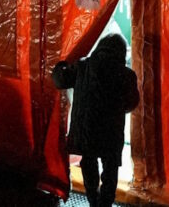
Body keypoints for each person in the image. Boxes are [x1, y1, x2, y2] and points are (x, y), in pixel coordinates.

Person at [51, 33, 140, 207]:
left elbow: (60, 81)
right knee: (111, 167)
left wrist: (61, 63)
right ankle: (105, 204)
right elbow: (132, 103)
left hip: (86, 129)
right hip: (111, 131)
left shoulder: (83, 67)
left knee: (89, 162)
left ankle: (92, 200)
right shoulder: (127, 74)